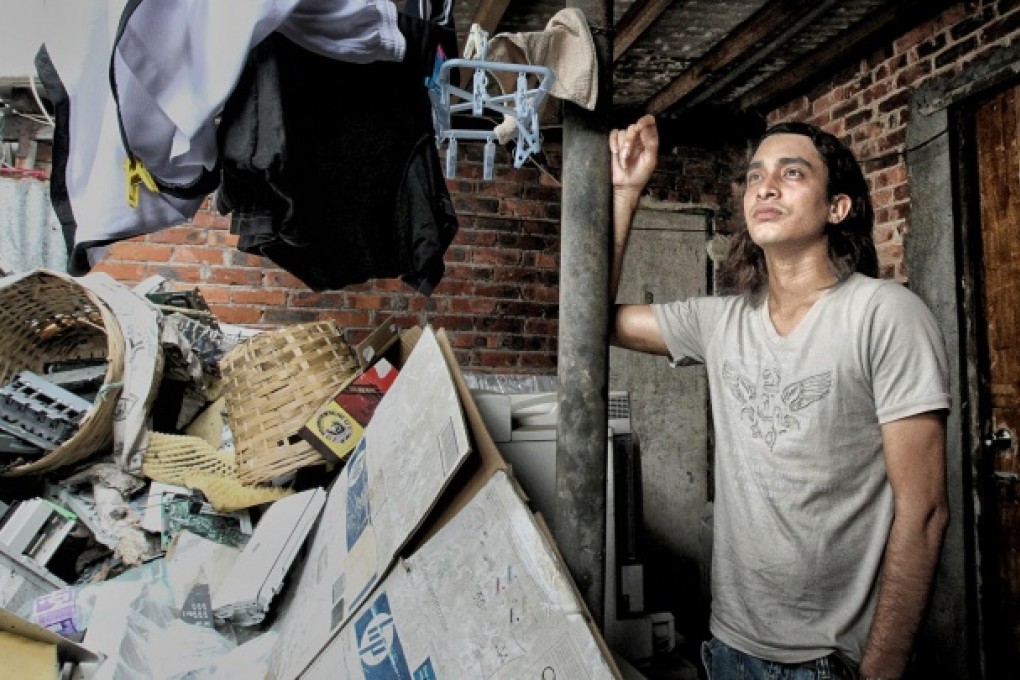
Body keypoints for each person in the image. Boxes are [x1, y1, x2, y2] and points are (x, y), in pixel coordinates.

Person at [608, 114, 951, 680]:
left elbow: (925, 513)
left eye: (792, 174)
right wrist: (625, 191)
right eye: (755, 176)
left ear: (836, 208)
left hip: (830, 662)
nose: (764, 187)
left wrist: (881, 670)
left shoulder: (885, 315)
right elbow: (590, 322)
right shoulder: (720, 321)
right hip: (726, 648)